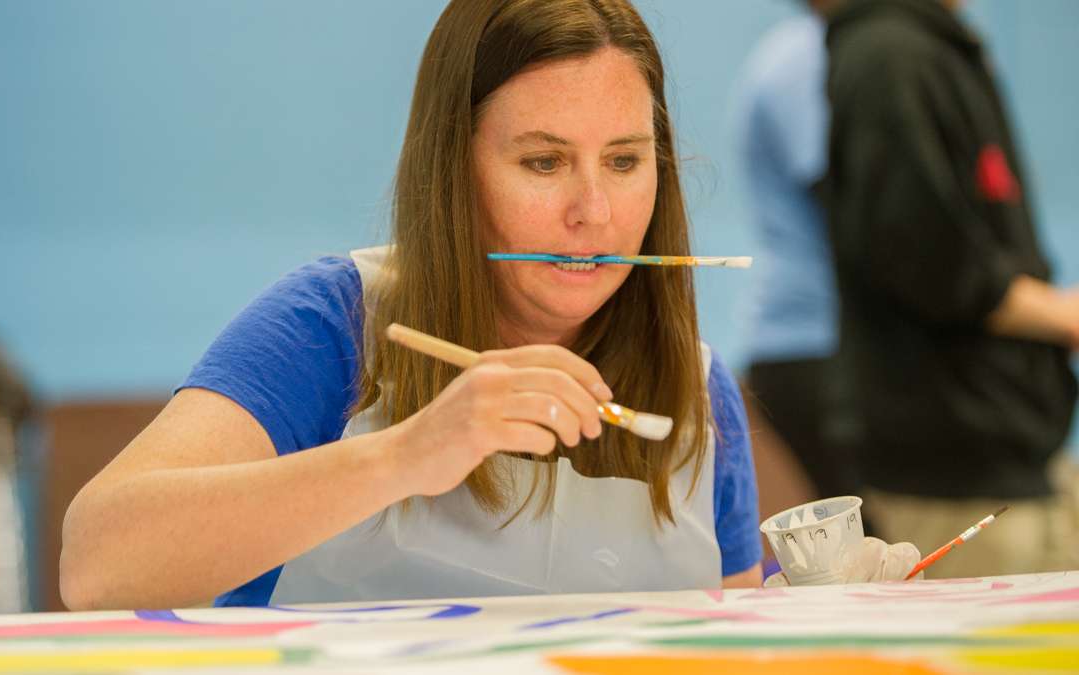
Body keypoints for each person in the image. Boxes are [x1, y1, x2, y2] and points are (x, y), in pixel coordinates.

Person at [60, 0, 916, 611]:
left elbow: (719, 637)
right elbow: (96, 563)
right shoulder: (333, 325)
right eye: (543, 163)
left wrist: (814, 619)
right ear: (452, 171)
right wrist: (406, 454)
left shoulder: (695, 389)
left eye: (624, 161)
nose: (594, 212)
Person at [820, 0, 1079, 577]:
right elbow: (927, 259)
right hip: (956, 458)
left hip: (1004, 443)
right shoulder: (889, 55)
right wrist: (1063, 316)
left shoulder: (926, 48)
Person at [733, 2, 867, 529]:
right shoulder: (806, 57)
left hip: (819, 346)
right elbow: (858, 213)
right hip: (815, 347)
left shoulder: (808, 51)